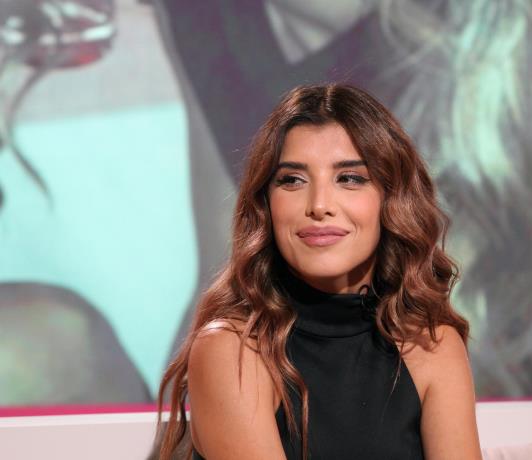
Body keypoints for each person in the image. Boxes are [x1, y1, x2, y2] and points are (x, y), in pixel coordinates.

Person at [155, 83, 482, 460]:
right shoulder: (233, 350)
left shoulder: (433, 345)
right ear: (267, 204)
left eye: (350, 178)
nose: (319, 205)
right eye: (292, 180)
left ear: (390, 199)